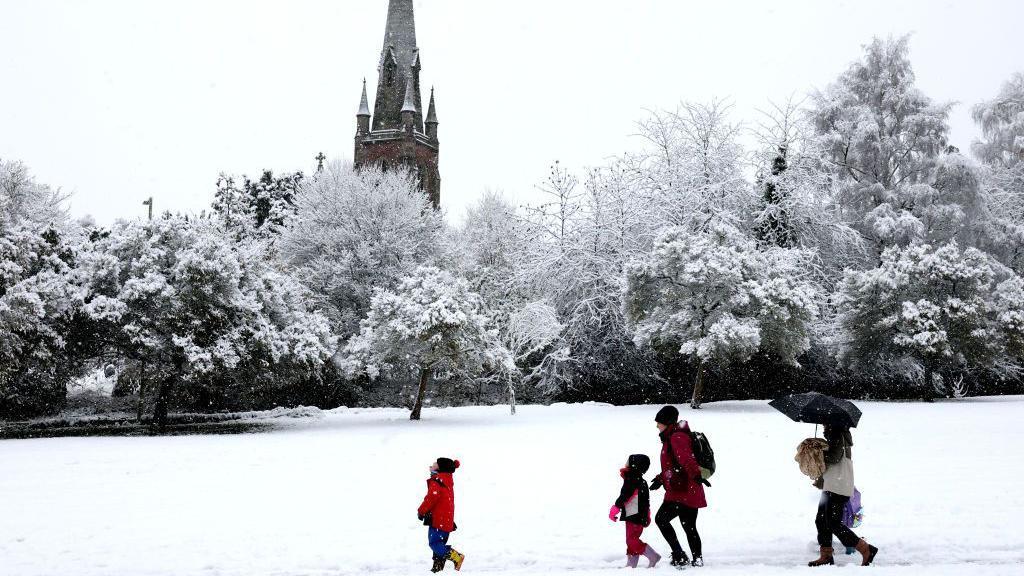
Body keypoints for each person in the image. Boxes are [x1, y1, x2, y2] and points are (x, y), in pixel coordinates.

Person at [808, 425, 878, 567]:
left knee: (833, 523)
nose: (823, 424)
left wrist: (817, 453)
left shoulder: (837, 433)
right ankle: (826, 555)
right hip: (832, 484)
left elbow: (834, 457)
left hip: (837, 486)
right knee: (821, 521)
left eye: (825, 422)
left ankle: (866, 549)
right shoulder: (835, 433)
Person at [650, 405, 707, 568]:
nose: (657, 426)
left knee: (662, 519)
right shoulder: (673, 436)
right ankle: (696, 559)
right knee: (689, 526)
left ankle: (680, 554)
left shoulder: (677, 437)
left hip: (683, 490)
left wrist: (696, 475)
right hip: (684, 488)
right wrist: (661, 479)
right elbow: (673, 464)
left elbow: (686, 460)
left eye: (659, 422)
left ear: (667, 422)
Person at [609, 454, 662, 568]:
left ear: (635, 465)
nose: (626, 463)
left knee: (632, 540)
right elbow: (646, 500)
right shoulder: (639, 480)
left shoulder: (632, 479)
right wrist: (647, 514)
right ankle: (631, 564)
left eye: (629, 461)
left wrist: (616, 507)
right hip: (635, 512)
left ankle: (653, 556)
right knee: (631, 539)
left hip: (634, 513)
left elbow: (625, 495)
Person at [417, 457, 466, 572]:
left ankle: (456, 557)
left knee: (434, 543)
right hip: (446, 519)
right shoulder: (447, 481)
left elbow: (431, 498)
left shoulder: (437, 481)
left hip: (438, 520)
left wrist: (421, 511)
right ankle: (437, 569)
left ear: (439, 469)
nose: (431, 465)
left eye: (434, 464)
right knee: (440, 544)